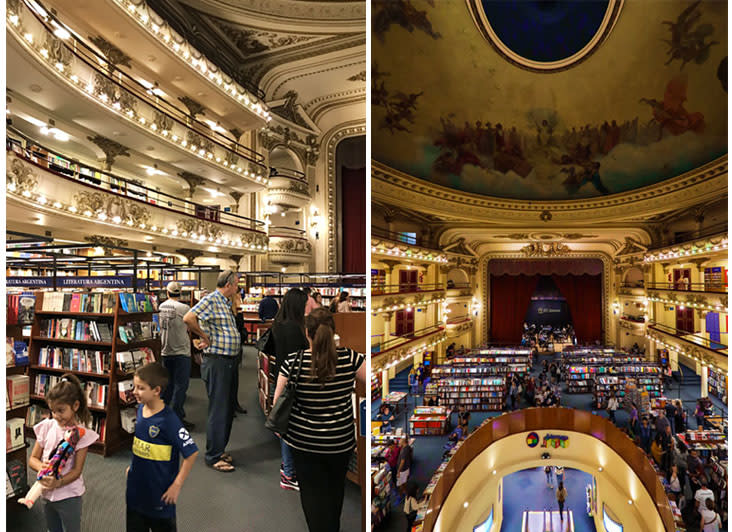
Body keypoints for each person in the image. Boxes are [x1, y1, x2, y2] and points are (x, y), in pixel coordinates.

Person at [274, 307, 366, 532]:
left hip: (304, 443)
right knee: (335, 492)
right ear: (333, 332)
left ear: (307, 333)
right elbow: (372, 377)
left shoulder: (293, 362)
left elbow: (277, 403)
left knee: (312, 495)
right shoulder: (350, 358)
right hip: (339, 442)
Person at [126, 363, 198, 532]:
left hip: (160, 495)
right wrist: (133, 467)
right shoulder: (141, 409)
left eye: (140, 388)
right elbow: (142, 444)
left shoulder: (169, 420)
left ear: (156, 391)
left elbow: (191, 452)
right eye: (134, 386)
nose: (135, 392)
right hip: (136, 491)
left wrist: (177, 485)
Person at [183, 270, 241, 472]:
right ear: (228, 284)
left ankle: (219, 448)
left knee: (227, 407)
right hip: (217, 361)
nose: (237, 288)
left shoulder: (225, 302)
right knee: (219, 408)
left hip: (228, 361)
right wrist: (203, 336)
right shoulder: (212, 299)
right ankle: (213, 456)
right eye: (236, 284)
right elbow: (189, 318)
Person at [28, 374, 99, 532]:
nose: (56, 415)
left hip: (69, 495)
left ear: (75, 406)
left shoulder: (81, 435)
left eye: (61, 410)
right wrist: (41, 466)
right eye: (53, 411)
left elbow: (76, 471)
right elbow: (32, 459)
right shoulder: (46, 427)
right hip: (46, 493)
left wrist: (58, 483)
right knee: (52, 528)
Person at [270, 288, 309, 491]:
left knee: (287, 424)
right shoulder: (293, 328)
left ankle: (288, 470)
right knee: (290, 428)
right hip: (293, 380)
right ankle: (289, 473)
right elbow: (301, 354)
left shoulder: (278, 324)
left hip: (282, 376)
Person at [159, 281, 194, 430]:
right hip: (181, 351)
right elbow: (191, 325)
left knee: (168, 385)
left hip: (165, 350)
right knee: (181, 386)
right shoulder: (185, 308)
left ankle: (164, 415)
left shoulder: (160, 307)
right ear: (180, 293)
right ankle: (177, 418)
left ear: (167, 292)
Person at [396, 436, 413, 502]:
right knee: (404, 482)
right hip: (406, 468)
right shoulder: (407, 447)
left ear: (403, 442)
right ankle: (406, 494)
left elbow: (402, 461)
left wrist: (398, 471)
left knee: (400, 484)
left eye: (400, 441)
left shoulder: (404, 451)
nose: (399, 443)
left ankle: (402, 496)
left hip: (403, 470)